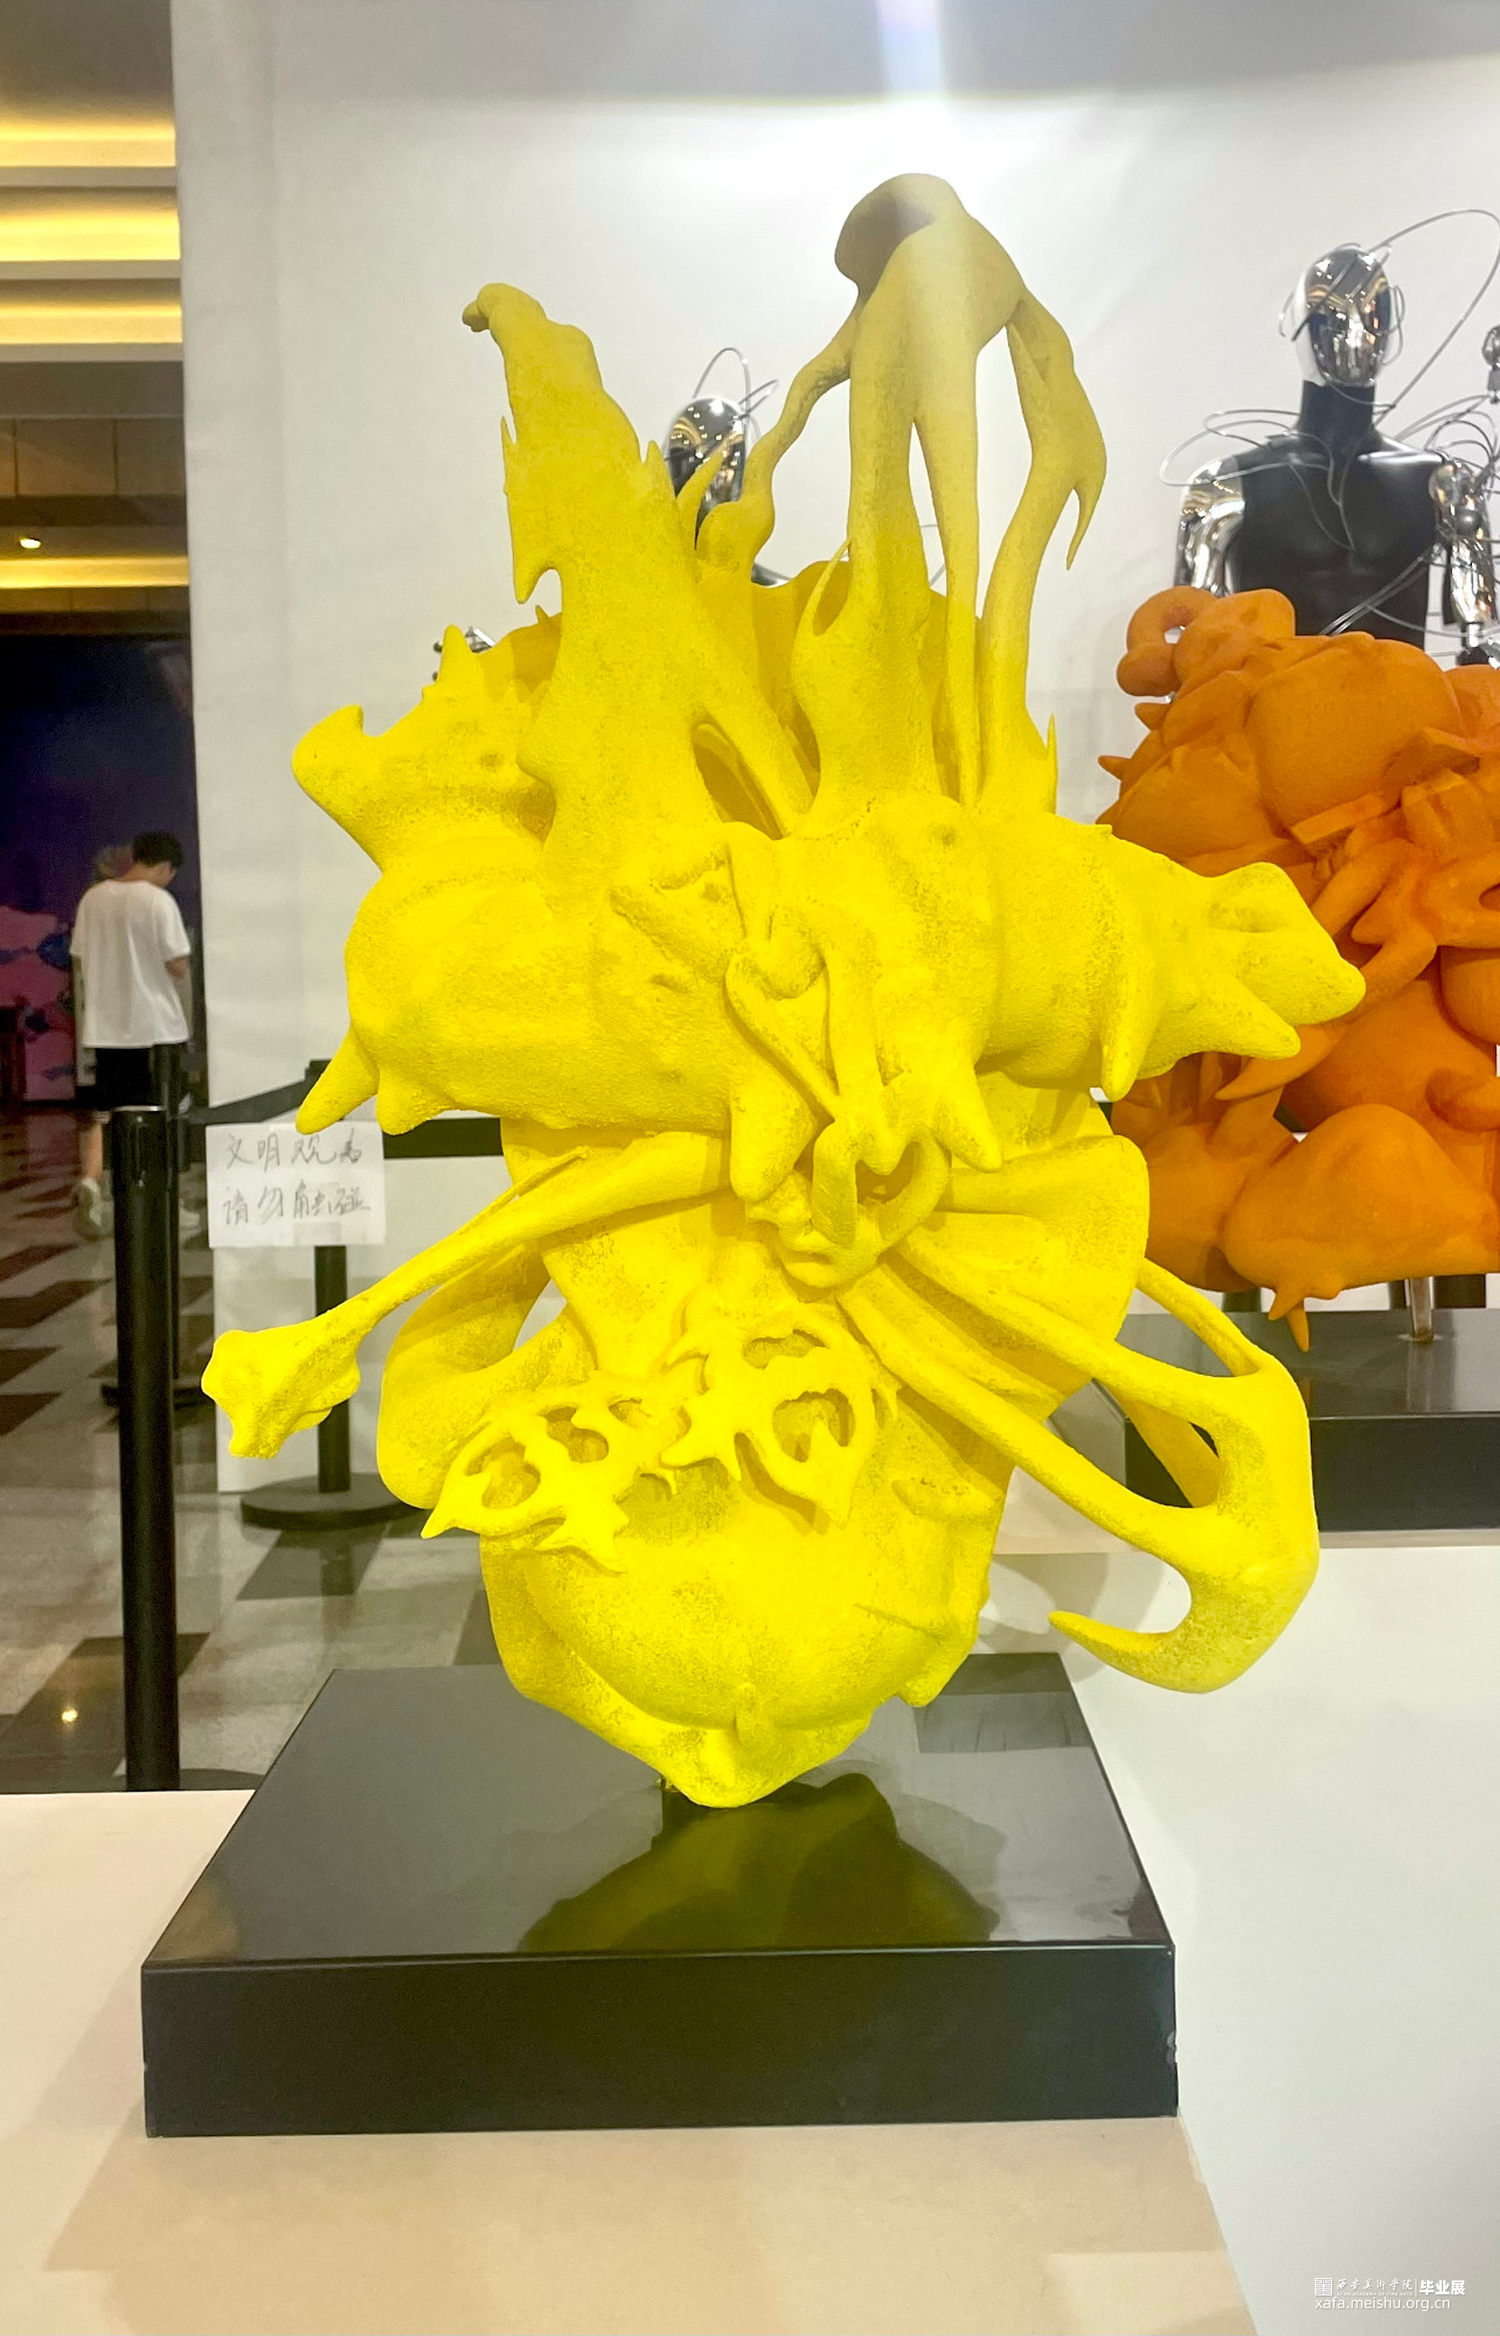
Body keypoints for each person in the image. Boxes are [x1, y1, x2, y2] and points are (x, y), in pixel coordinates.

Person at [70, 829, 191, 1237]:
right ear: (164, 867)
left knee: (106, 1112)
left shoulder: (93, 899)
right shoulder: (158, 901)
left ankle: (92, 1180)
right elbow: (177, 963)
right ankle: (161, 1201)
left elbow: (80, 958)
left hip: (106, 1027)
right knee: (160, 1115)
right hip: (154, 1027)